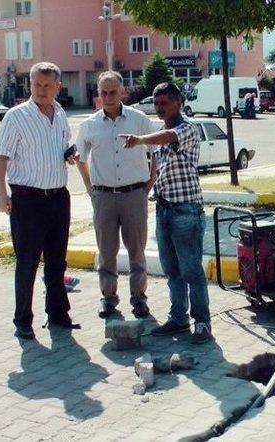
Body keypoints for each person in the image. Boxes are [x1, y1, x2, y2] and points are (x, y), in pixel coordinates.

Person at [120, 82, 212, 344]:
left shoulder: (188, 128)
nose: (159, 108)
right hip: (164, 209)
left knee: (191, 269)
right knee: (172, 270)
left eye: (164, 103)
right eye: (156, 103)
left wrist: (139, 140)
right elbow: (157, 168)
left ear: (178, 103)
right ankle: (178, 318)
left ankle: (202, 322)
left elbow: (168, 138)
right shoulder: (161, 130)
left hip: (186, 210)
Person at [0, 62, 80, 340]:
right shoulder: (16, 117)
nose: (42, 91)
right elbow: (0, 157)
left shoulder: (61, 113)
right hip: (27, 201)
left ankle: (57, 313)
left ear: (58, 86)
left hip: (57, 198)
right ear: (29, 85)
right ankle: (23, 320)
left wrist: (69, 155)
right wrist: (1, 194)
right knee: (28, 263)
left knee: (57, 261)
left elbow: (64, 146)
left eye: (47, 86)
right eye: (36, 85)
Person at [75, 71, 154, 319]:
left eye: (113, 92)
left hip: (134, 196)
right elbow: (80, 158)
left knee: (137, 252)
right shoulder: (89, 125)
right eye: (103, 92)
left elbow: (156, 153)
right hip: (104, 197)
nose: (108, 97)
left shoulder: (139, 120)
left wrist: (149, 184)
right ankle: (108, 299)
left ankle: (139, 299)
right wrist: (90, 187)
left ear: (122, 92)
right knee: (106, 252)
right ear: (98, 94)